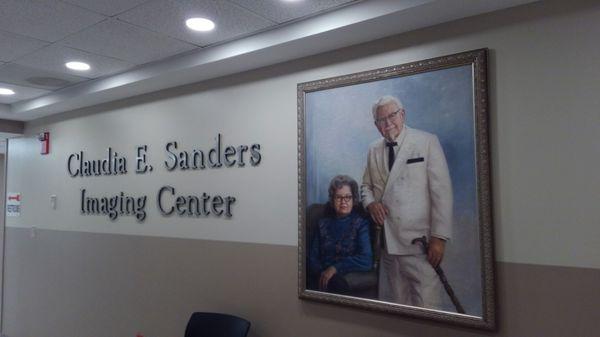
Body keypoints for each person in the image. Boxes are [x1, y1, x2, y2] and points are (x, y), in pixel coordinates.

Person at [361, 95, 452, 309]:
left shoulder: (426, 142)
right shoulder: (374, 149)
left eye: (392, 116)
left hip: (420, 245)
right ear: (376, 125)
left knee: (427, 306)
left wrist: (439, 237)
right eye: (381, 120)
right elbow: (365, 186)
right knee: (394, 306)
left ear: (403, 114)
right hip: (387, 245)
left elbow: (441, 192)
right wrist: (371, 204)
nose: (388, 123)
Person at [308, 175, 373, 295]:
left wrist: (335, 268)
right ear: (332, 200)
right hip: (321, 276)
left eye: (348, 197)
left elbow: (366, 260)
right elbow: (312, 258)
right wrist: (322, 273)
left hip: (343, 276)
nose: (343, 202)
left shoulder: (361, 224)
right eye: (339, 197)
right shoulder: (322, 224)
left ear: (354, 199)